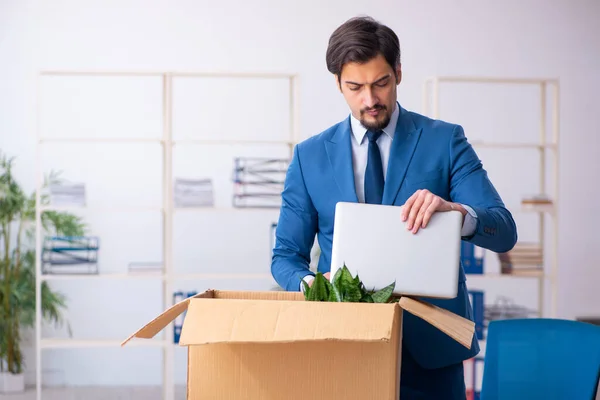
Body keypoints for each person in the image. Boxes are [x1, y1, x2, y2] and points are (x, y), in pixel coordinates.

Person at [271, 15, 517, 399]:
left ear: (398, 72)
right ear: (338, 83)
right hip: (340, 346)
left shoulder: (445, 141)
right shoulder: (309, 157)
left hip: (432, 350)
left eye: (381, 83)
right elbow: (285, 255)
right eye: (355, 87)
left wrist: (457, 215)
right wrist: (315, 289)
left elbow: (503, 231)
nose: (370, 100)